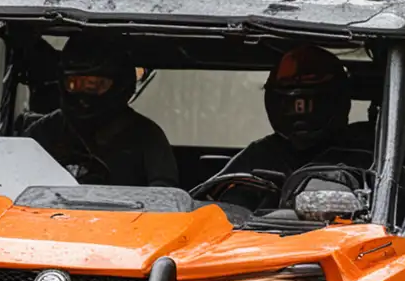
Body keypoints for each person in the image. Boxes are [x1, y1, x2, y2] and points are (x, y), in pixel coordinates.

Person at [214, 45, 373, 207]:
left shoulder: (367, 153)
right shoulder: (259, 155)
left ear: (338, 100)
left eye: (310, 102)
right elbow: (210, 201)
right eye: (290, 103)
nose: (300, 112)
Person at [26, 34, 179, 188]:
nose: (84, 94)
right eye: (74, 83)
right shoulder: (42, 133)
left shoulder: (147, 137)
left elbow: (164, 197)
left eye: (95, 85)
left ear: (120, 84)